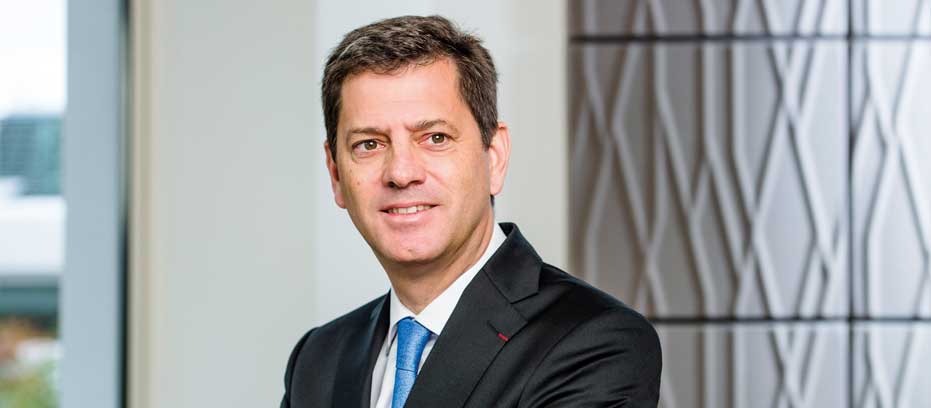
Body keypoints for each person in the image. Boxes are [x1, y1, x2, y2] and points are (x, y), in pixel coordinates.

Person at [280, 15, 661, 408]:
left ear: (494, 157)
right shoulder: (317, 360)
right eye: (369, 144)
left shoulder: (593, 341)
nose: (401, 173)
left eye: (435, 138)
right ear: (336, 174)